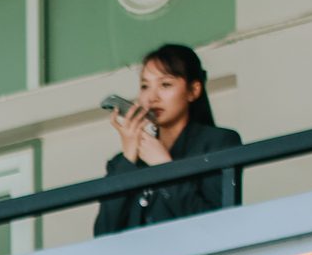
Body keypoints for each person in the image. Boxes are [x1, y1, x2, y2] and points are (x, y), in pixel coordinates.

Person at [93, 42, 241, 236]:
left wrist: (165, 167)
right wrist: (128, 157)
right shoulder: (122, 163)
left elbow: (217, 226)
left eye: (165, 84)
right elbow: (103, 233)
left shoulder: (218, 142)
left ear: (193, 90)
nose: (152, 97)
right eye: (145, 86)